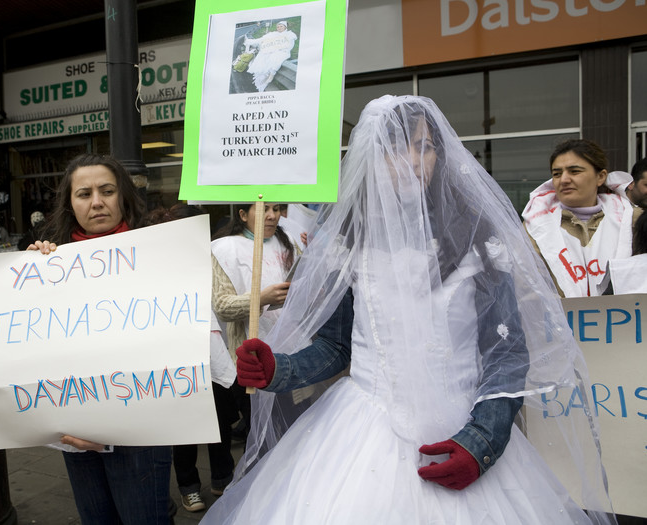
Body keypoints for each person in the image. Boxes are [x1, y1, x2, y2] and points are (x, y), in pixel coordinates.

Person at [202, 95, 614, 524]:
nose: (414, 159)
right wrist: (278, 370)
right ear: (372, 157)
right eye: (397, 146)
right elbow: (336, 345)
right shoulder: (349, 245)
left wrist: (482, 439)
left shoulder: (477, 240)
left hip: (462, 424)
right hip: (361, 435)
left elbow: (506, 353)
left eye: (424, 146)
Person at [28, 154, 172, 525]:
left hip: (139, 425)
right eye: (84, 193)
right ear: (69, 203)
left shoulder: (161, 253)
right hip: (75, 428)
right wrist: (27, 282)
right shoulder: (48, 263)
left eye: (107, 191)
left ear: (123, 196)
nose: (96, 202)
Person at [143, 204, 238, 513]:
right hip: (176, 358)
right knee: (185, 426)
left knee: (220, 419)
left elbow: (224, 302)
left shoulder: (208, 260)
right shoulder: (153, 264)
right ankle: (188, 486)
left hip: (213, 351)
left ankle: (223, 477)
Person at [211, 203, 297, 452]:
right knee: (263, 435)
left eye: (277, 209)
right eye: (263, 209)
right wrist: (262, 298)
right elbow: (222, 306)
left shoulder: (289, 241)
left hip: (291, 351)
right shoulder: (224, 248)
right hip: (249, 357)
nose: (272, 215)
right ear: (242, 214)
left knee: (295, 429)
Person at [522, 139, 642, 297]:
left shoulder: (632, 220)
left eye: (574, 171)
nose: (564, 180)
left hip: (624, 319)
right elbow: (526, 288)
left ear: (600, 177)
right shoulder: (534, 227)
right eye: (557, 174)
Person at [244, 21, 298, 92]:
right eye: (278, 27)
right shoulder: (273, 34)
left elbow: (289, 46)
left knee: (276, 57)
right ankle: (262, 79)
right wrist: (250, 41)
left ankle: (271, 75)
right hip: (272, 50)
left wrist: (278, 48)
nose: (279, 28)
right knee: (263, 55)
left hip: (283, 51)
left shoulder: (289, 35)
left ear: (285, 27)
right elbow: (262, 39)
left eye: (281, 26)